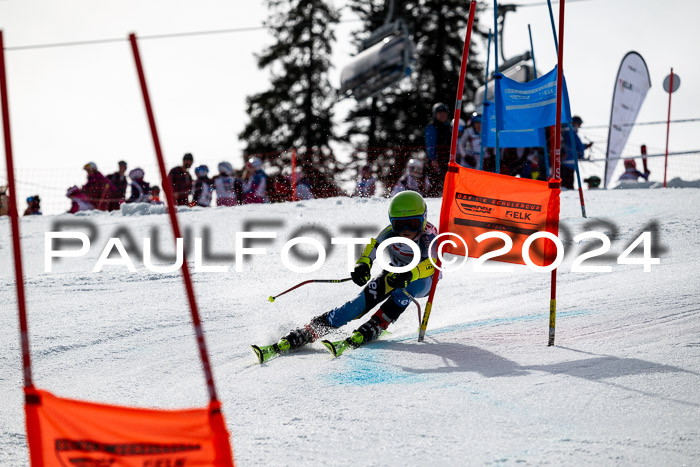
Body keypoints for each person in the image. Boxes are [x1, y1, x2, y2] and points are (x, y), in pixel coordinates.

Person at [252, 191, 438, 363]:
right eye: (399, 224)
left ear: (423, 219)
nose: (405, 230)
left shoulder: (428, 237)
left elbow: (432, 264)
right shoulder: (389, 233)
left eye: (412, 223)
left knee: (405, 291)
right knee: (356, 306)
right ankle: (312, 330)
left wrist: (410, 274)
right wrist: (363, 265)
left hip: (423, 280)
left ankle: (378, 323)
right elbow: (372, 247)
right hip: (394, 273)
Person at [424, 102, 452, 196]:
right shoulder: (432, 127)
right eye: (439, 112)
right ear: (435, 114)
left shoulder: (449, 127)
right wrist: (433, 159)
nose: (442, 114)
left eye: (444, 112)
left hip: (447, 159)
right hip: (437, 160)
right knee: (435, 183)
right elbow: (430, 145)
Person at [562, 116, 593, 189]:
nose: (579, 126)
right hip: (569, 162)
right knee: (569, 185)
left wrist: (585, 146)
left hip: (563, 161)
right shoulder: (571, 131)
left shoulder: (565, 130)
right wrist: (583, 151)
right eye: (579, 124)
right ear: (575, 122)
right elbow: (578, 145)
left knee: (564, 183)